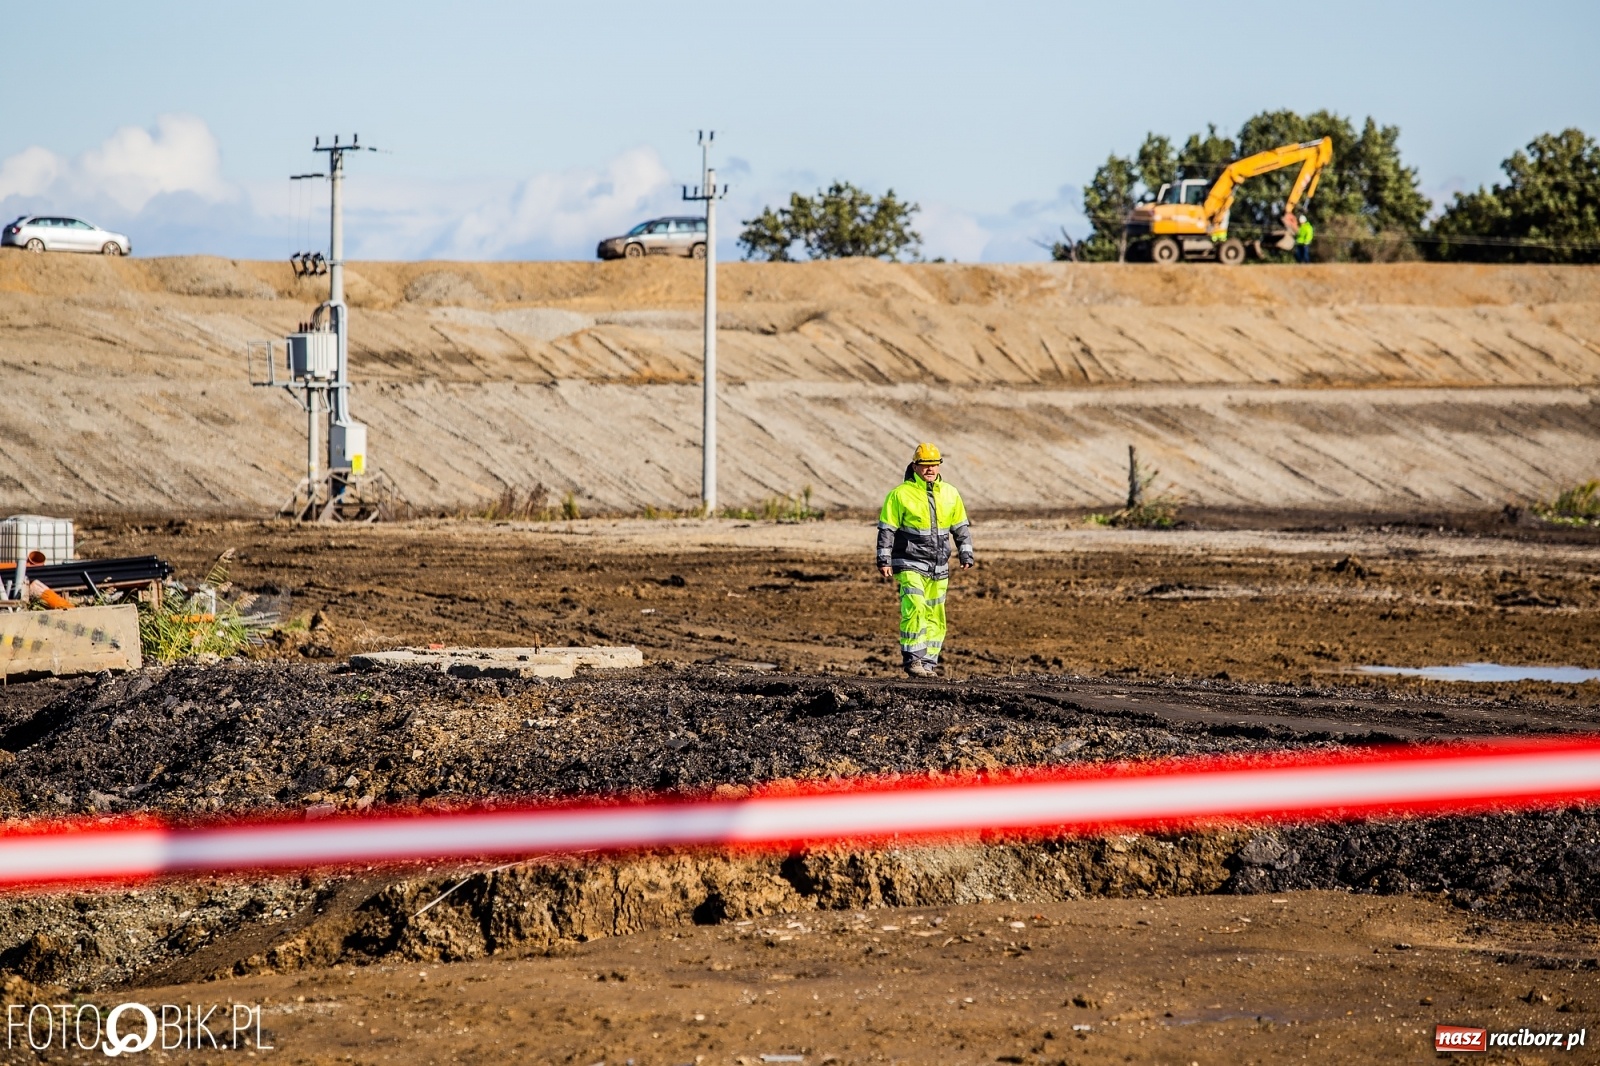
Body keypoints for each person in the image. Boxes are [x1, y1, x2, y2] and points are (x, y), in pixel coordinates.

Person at [876, 443, 975, 677]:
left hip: (939, 566)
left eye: (934, 464)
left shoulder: (950, 493)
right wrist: (884, 559)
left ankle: (928, 665)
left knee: (935, 614)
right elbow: (887, 529)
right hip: (909, 563)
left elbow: (961, 527)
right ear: (915, 466)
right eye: (925, 465)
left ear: (939, 465)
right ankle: (913, 660)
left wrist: (965, 552)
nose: (930, 469)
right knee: (915, 608)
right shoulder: (900, 494)